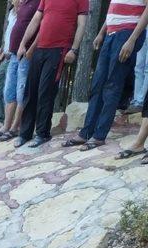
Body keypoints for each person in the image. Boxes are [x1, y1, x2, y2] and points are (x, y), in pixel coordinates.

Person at [63, 2, 148, 151]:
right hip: (111, 33)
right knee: (97, 84)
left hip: (127, 33)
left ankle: (99, 135)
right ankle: (86, 132)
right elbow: (112, 11)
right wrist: (102, 32)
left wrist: (132, 39)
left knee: (112, 85)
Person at [15, 0, 89, 148]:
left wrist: (73, 49)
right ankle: (25, 134)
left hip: (59, 49)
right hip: (40, 48)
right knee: (30, 91)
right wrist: (23, 43)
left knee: (45, 92)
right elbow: (36, 19)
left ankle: (42, 133)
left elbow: (81, 24)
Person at [0, 0, 39, 142]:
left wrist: (30, 48)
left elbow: (40, 25)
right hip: (13, 53)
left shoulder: (37, 3)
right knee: (9, 91)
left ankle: (15, 127)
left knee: (21, 90)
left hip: (25, 53)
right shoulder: (23, 4)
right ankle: (6, 126)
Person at [0, 0, 19, 126]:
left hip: (15, 56)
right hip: (5, 56)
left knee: (8, 91)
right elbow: (6, 37)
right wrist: (0, 54)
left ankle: (9, 121)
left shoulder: (21, 12)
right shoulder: (10, 13)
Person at [128, 27, 148, 112]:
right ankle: (136, 100)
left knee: (147, 68)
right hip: (142, 28)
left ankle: (141, 101)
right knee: (138, 67)